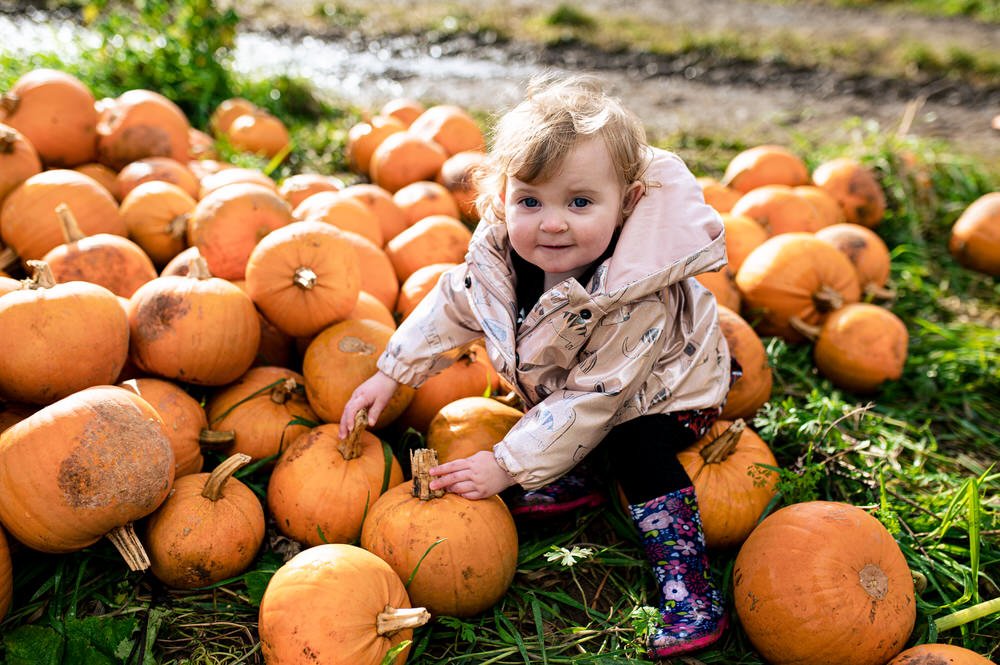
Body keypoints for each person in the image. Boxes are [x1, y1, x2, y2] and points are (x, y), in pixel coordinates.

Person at [340, 73, 738, 658]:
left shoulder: (636, 298)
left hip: (673, 391)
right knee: (557, 410)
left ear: (626, 203)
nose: (552, 223)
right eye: (531, 200)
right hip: (584, 389)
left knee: (634, 447)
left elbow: (593, 401)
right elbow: (456, 301)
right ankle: (572, 474)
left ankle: (688, 589)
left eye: (580, 202)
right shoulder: (504, 254)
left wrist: (505, 463)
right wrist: (393, 370)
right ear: (503, 194)